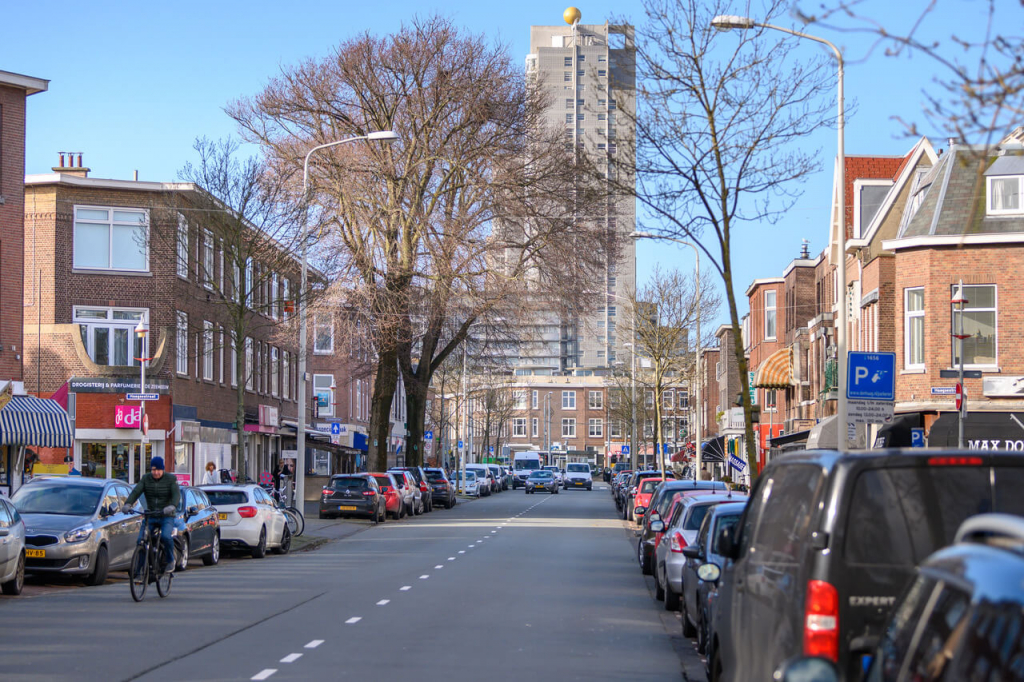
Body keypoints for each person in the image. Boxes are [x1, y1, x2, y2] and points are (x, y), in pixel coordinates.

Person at [124, 456, 180, 573]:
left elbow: (176, 495)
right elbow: (136, 491)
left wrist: (172, 507)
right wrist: (128, 504)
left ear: (162, 469)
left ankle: (170, 561)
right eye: (153, 470)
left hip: (166, 516)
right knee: (141, 540)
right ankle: (139, 570)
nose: (155, 472)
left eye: (158, 470)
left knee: (165, 536)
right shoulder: (146, 479)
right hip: (151, 515)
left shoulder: (171, 479)